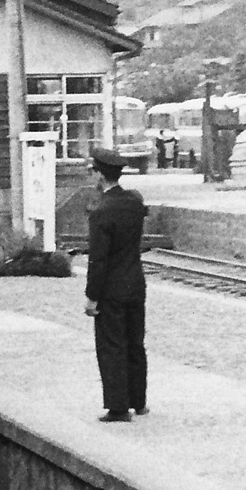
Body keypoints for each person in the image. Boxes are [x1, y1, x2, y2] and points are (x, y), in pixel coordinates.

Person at [84, 147, 148, 422]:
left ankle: (118, 407)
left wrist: (91, 297)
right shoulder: (134, 202)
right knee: (135, 343)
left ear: (100, 174)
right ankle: (139, 401)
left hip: (111, 289)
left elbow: (99, 260)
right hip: (135, 283)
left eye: (93, 171)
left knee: (112, 345)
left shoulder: (101, 212)